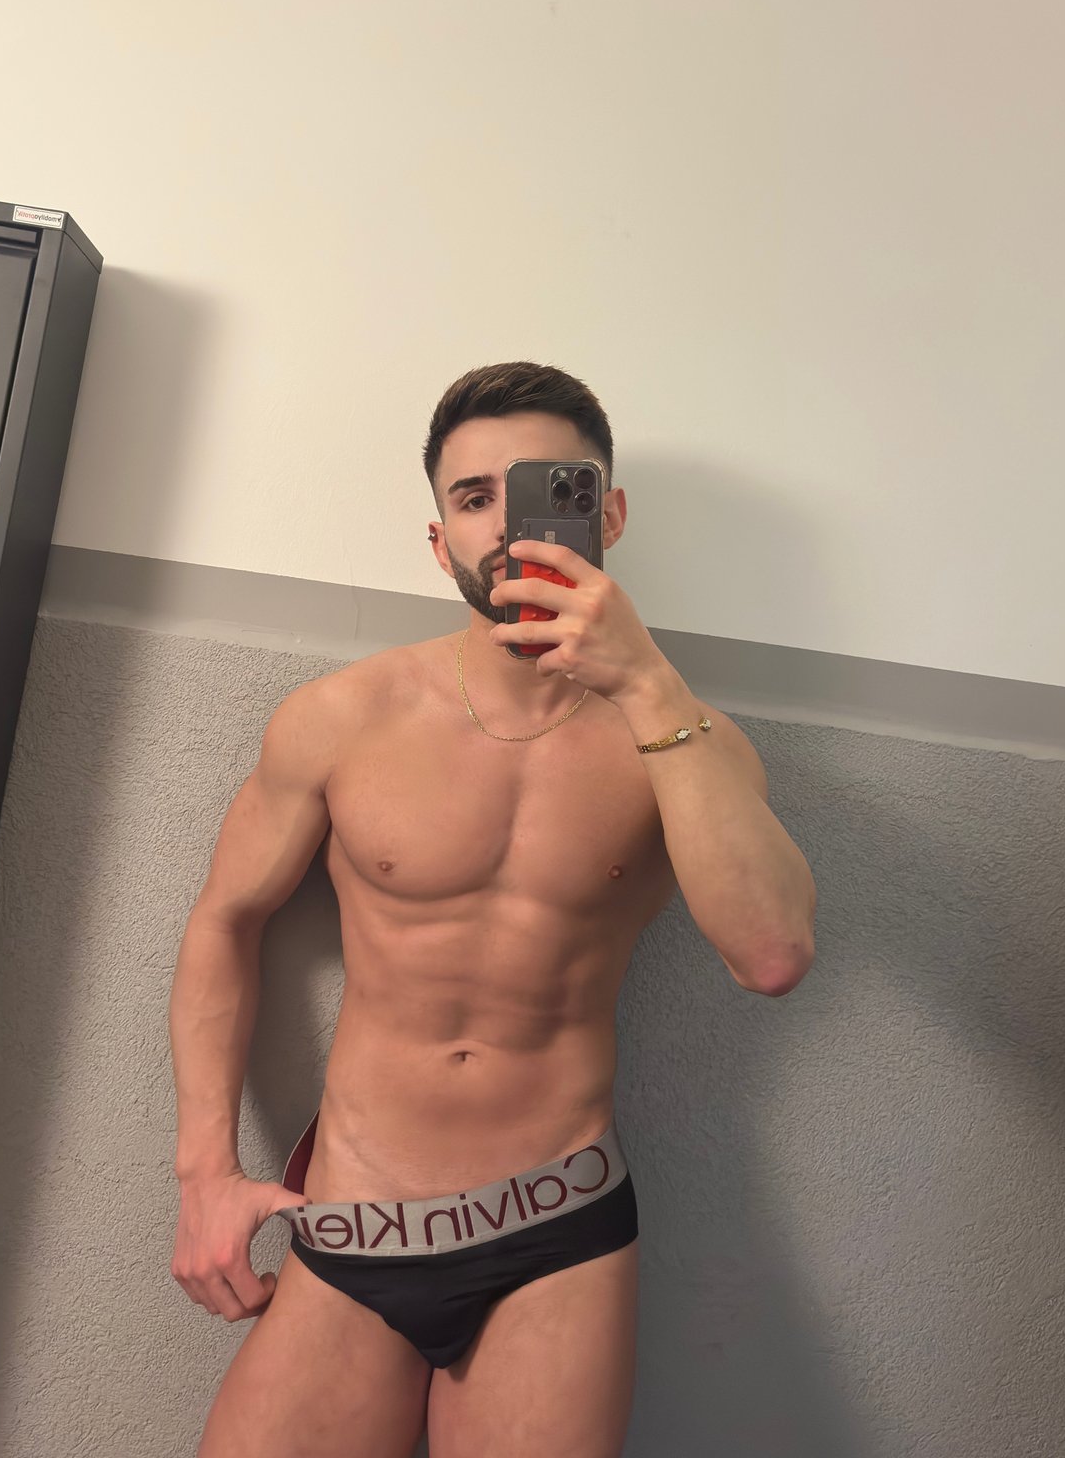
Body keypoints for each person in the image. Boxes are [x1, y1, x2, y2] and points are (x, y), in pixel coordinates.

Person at [169, 360, 817, 1458]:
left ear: (608, 514)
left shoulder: (686, 741)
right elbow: (224, 921)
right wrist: (205, 1175)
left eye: (548, 489)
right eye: (475, 497)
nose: (510, 525)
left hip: (555, 1228)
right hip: (355, 1213)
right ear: (440, 541)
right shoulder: (343, 719)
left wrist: (646, 684)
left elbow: (772, 954)